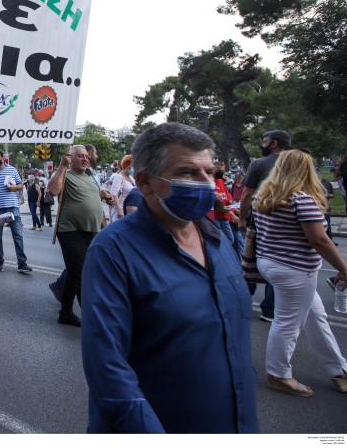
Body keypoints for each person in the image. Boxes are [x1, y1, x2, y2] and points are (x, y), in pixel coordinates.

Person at [81, 122, 259, 433]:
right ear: (145, 182)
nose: (206, 182)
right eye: (188, 172)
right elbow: (108, 368)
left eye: (209, 172)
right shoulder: (113, 251)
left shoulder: (217, 239)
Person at [253, 150, 347, 396]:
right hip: (296, 269)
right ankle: (278, 374)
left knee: (316, 318)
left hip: (271, 263)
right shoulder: (301, 199)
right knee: (287, 323)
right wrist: (343, 269)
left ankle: (339, 370)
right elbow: (320, 240)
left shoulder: (263, 196)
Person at [45, 145, 104, 327]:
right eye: (80, 156)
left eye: (86, 156)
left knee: (73, 273)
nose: (85, 159)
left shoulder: (90, 177)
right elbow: (52, 191)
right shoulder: (66, 174)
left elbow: (96, 204)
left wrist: (105, 228)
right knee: (83, 273)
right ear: (70, 158)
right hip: (70, 230)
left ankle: (65, 313)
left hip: (91, 230)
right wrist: (62, 166)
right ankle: (93, 320)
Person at [239, 130, 290, 322]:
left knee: (250, 262)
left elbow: (247, 195)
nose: (263, 145)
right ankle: (269, 309)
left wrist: (242, 218)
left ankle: (242, 303)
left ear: (274, 143)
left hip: (260, 220)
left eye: (264, 141)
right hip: (290, 222)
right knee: (279, 263)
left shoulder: (259, 164)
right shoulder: (299, 162)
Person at [0, 150, 32, 273]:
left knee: (18, 235)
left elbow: (20, 185)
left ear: (2, 158)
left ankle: (22, 263)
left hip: (13, 207)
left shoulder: (12, 170)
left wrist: (13, 187)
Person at [108, 155, 135, 222]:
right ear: (126, 165)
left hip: (128, 209)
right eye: (133, 165)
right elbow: (114, 193)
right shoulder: (119, 177)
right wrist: (119, 209)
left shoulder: (131, 178)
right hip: (121, 212)